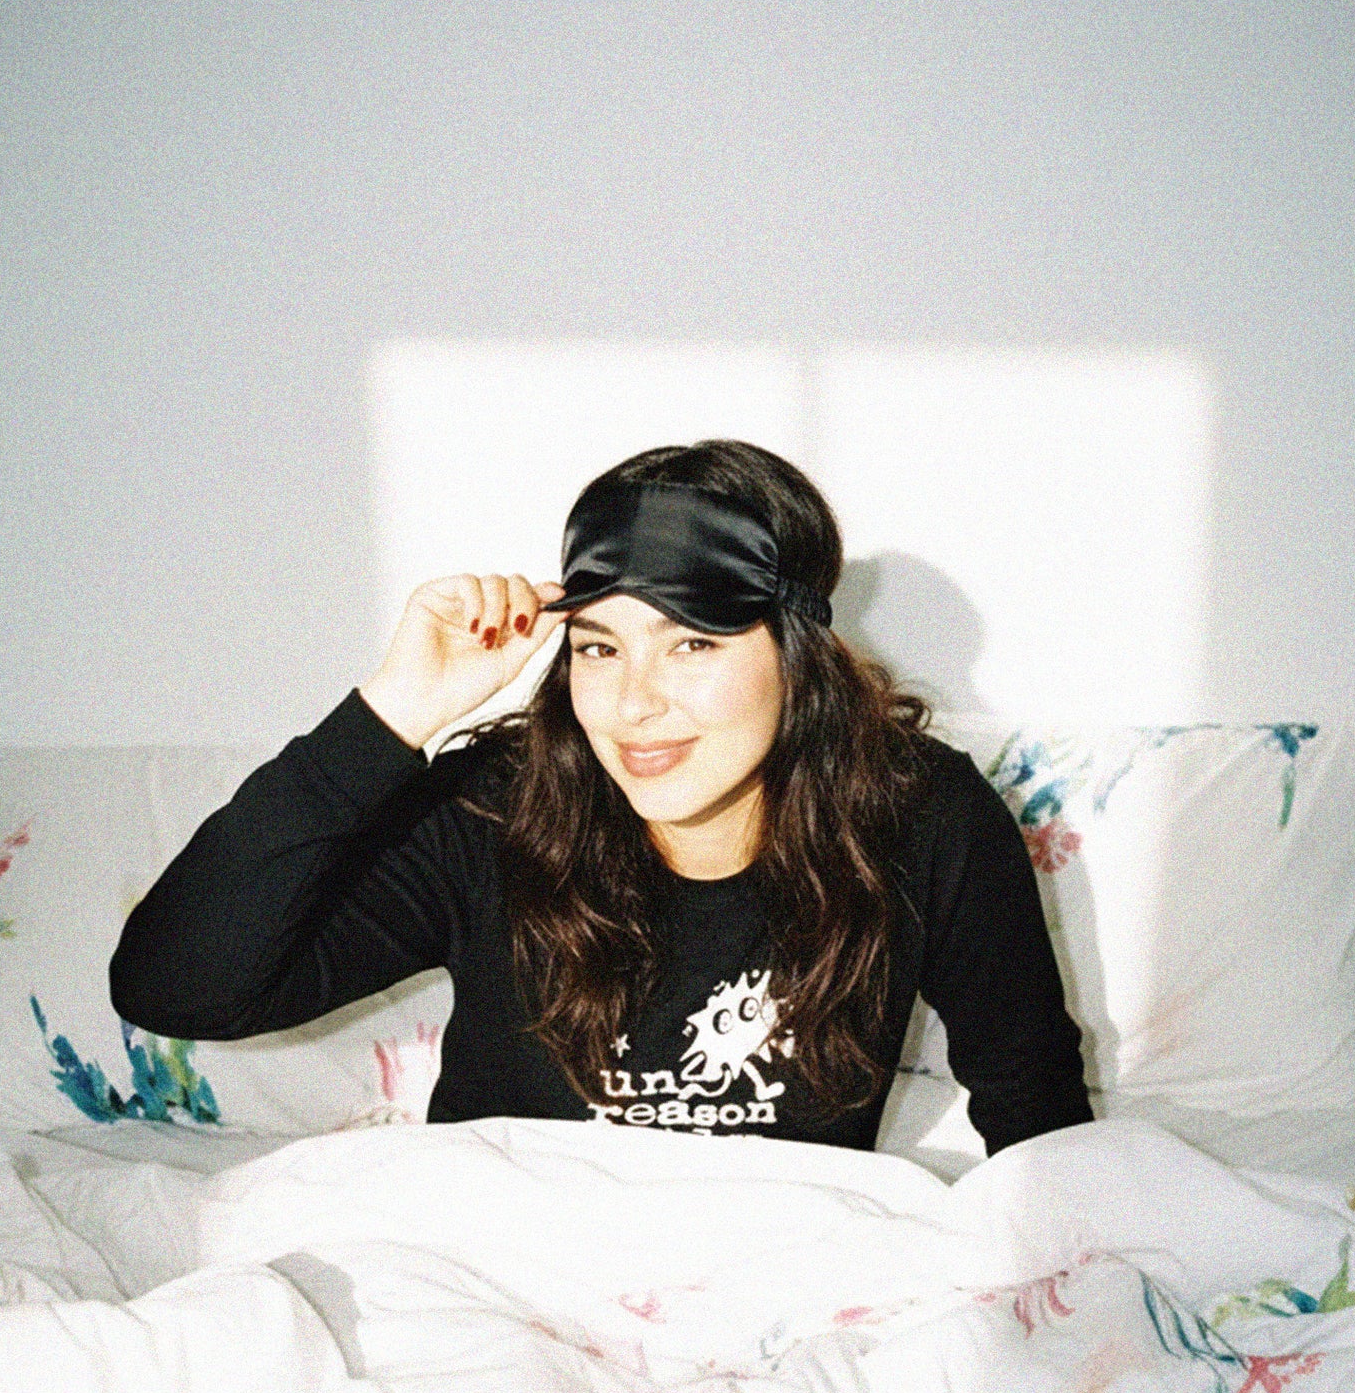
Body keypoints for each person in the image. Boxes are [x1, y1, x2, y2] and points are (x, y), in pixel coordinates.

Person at [110, 440, 1091, 1153]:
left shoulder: (920, 817)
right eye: (598, 645)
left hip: (770, 1301)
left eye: (691, 643)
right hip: (493, 1283)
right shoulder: (496, 810)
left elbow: (1033, 1103)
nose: (632, 704)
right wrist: (389, 717)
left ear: (798, 660)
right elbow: (175, 987)